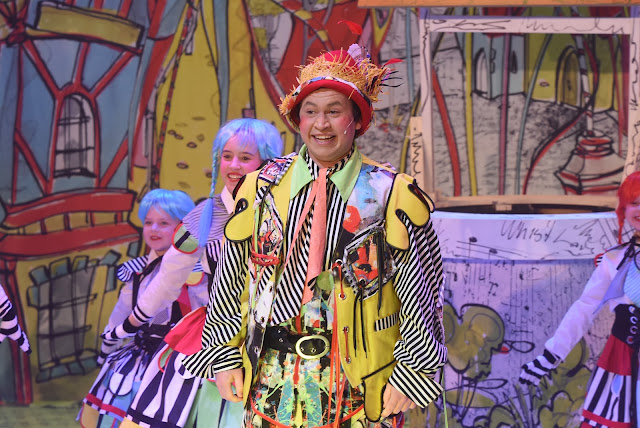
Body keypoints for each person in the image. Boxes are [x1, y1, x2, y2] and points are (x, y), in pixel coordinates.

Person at [181, 44, 448, 427]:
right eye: (311, 111)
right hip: (271, 379)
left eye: (334, 111)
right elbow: (231, 279)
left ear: (356, 119)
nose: (321, 124)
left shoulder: (391, 193)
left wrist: (413, 372)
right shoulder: (260, 188)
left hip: (361, 383)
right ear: (298, 119)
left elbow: (421, 293)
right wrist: (223, 356)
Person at [105, 119, 283, 428]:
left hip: (273, 335)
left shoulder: (286, 212)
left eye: (245, 157)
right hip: (215, 334)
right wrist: (132, 321)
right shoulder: (203, 217)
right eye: (226, 156)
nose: (234, 165)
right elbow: (168, 277)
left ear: (266, 162)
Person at [519, 171, 640, 427]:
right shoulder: (614, 260)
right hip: (622, 361)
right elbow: (584, 308)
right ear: (624, 209)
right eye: (634, 202)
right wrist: (551, 355)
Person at [79, 189, 197, 428]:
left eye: (164, 223)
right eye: (148, 222)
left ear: (182, 228)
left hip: (177, 362)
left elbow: (201, 313)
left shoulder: (196, 272)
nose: (154, 229)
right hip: (138, 360)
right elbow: (121, 313)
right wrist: (107, 347)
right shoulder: (136, 271)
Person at [0, 284, 31, 354]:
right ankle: (21, 339)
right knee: (18, 336)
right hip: (9, 318)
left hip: (8, 318)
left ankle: (20, 338)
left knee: (17, 335)